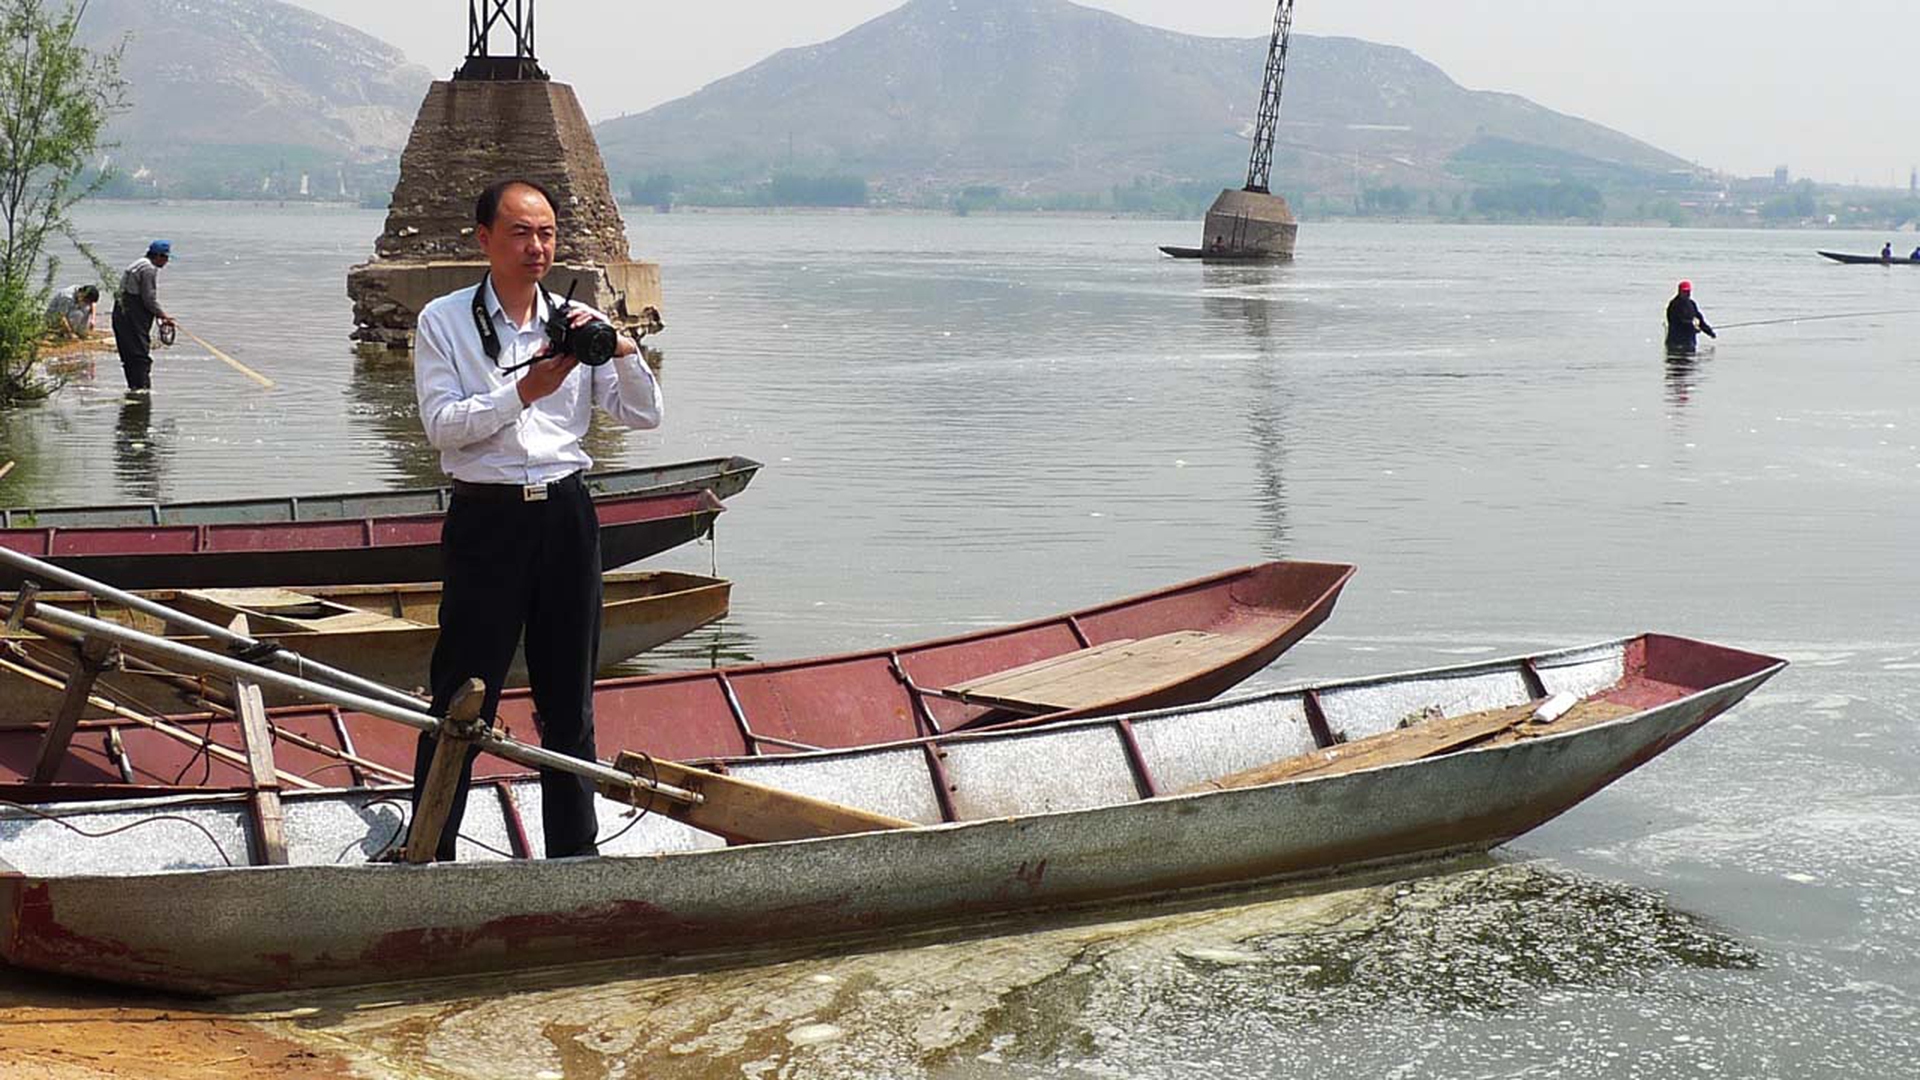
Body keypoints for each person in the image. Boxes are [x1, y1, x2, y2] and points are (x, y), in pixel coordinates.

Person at [405, 178, 663, 862]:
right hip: (486, 519)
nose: (536, 247)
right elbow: (442, 427)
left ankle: (574, 857)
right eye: (520, 232)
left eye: (547, 233)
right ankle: (429, 854)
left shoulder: (575, 323)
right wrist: (523, 391)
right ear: (484, 238)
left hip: (566, 515)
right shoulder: (443, 321)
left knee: (570, 698)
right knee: (462, 694)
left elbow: (643, 415)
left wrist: (623, 347)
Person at [110, 241, 176, 391]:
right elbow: (149, 299)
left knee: (128, 354)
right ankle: (142, 390)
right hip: (133, 315)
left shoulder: (138, 263)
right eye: (166, 258)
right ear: (159, 256)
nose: (166, 262)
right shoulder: (148, 269)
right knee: (140, 355)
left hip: (120, 313)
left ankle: (134, 389)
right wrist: (163, 316)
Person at [1665, 280, 1715, 353]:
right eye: (1684, 291)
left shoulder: (1691, 304)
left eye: (1688, 291)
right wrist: (1692, 328)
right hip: (1675, 341)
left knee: (1691, 358)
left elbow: (1700, 320)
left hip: (1689, 341)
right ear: (1679, 291)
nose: (1687, 293)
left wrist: (1709, 332)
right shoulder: (1674, 305)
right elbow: (1678, 321)